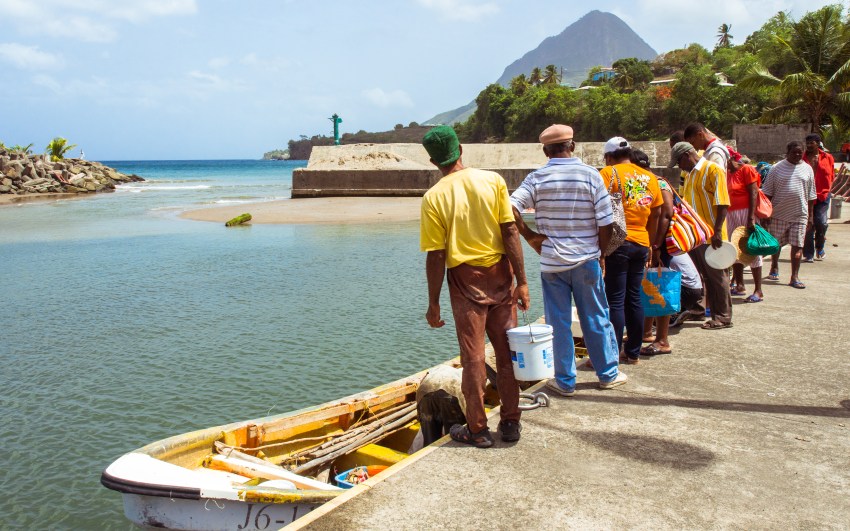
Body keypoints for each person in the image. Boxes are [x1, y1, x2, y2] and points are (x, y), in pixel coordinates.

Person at [420, 125, 531, 448]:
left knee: (472, 359)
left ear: (432, 161)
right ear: (461, 149)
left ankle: (478, 429)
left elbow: (436, 255)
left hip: (463, 282)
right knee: (506, 354)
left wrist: (433, 302)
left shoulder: (433, 198)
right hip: (501, 275)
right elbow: (510, 231)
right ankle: (510, 421)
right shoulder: (492, 180)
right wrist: (522, 282)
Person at [510, 124, 627, 397]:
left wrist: (530, 236)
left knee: (558, 323)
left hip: (552, 263)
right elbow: (606, 222)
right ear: (572, 146)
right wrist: (600, 252)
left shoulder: (536, 178)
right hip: (586, 259)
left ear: (545, 150)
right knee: (596, 317)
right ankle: (608, 374)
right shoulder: (591, 175)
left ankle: (565, 381)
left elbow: (510, 208)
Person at [599, 137, 663, 363]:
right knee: (634, 297)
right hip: (642, 242)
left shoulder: (608, 174)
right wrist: (652, 243)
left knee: (615, 299)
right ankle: (633, 353)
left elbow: (599, 211)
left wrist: (601, 248)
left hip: (618, 242)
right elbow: (656, 213)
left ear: (609, 157)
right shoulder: (649, 177)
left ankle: (613, 353)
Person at [671, 141, 733, 329]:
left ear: (686, 156)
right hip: (695, 235)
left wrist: (716, 231)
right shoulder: (689, 174)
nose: (679, 166)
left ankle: (723, 316)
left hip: (711, 234)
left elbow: (722, 203)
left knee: (717, 276)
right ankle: (706, 312)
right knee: (703, 276)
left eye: (679, 162)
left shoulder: (713, 170)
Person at [764, 141, 816, 289]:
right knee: (776, 245)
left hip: (800, 214)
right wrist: (766, 214)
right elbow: (767, 193)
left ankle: (794, 276)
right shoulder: (776, 169)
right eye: (794, 152)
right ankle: (774, 266)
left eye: (800, 152)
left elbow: (812, 196)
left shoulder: (807, 169)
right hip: (778, 214)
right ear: (787, 152)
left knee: (798, 245)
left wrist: (810, 217)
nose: (797, 155)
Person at [642, 252, 703, 354]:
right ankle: (646, 332)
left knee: (655, 287)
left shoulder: (659, 246)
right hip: (692, 289)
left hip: (684, 289)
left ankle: (662, 341)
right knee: (651, 284)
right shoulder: (671, 243)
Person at [726, 150, 765, 302]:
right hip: (730, 215)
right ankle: (739, 284)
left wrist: (751, 218)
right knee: (735, 250)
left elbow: (753, 193)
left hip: (745, 214)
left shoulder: (746, 169)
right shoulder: (726, 173)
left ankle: (758, 290)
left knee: (751, 249)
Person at [802, 133, 834, 262]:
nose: (809, 145)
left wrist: (828, 188)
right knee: (808, 224)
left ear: (818, 143)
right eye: (807, 143)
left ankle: (820, 246)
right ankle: (808, 254)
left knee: (821, 222)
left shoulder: (828, 157)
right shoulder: (802, 158)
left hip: (823, 194)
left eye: (812, 143)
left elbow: (831, 175)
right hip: (805, 195)